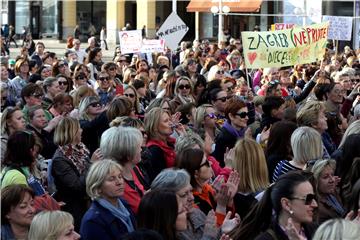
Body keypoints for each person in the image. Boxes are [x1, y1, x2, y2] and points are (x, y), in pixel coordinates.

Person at [229, 171, 317, 239]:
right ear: (286, 204)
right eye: (308, 199)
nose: (315, 204)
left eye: (314, 198)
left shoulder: (317, 231)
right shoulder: (266, 238)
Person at [51, 117, 98, 230]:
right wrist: (91, 163)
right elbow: (77, 186)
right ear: (71, 132)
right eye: (79, 128)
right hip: (75, 208)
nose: (82, 130)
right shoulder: (60, 159)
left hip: (88, 201)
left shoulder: (81, 149)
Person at [80, 160, 136, 239]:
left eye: (120, 176)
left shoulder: (124, 204)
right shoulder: (93, 221)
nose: (119, 182)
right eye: (111, 179)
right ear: (98, 187)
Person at [100, 126, 145, 214]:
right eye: (138, 147)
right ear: (128, 153)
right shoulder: (114, 183)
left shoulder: (134, 168)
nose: (141, 149)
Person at [212, 97, 249, 167]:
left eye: (247, 114)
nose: (247, 118)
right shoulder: (224, 138)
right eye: (243, 115)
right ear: (231, 116)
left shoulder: (243, 132)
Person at [144, 107, 178, 182]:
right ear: (155, 127)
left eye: (170, 120)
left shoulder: (170, 143)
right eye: (166, 121)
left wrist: (184, 136)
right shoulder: (154, 150)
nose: (171, 123)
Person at [311, 159, 345, 224]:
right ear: (316, 181)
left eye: (332, 175)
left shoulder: (332, 191)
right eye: (326, 177)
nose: (332, 180)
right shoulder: (318, 209)